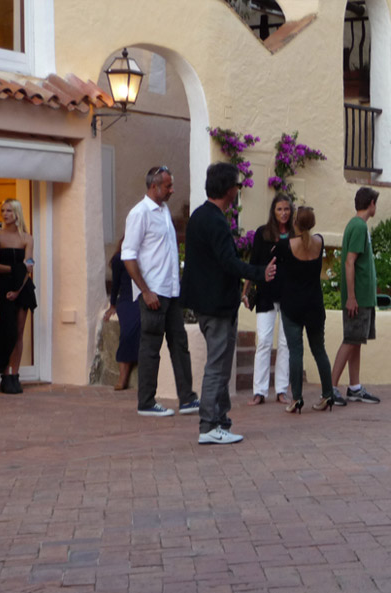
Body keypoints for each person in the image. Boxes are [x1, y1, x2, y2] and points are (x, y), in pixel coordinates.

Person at [182, 162, 275, 445]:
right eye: (237, 185)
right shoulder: (215, 221)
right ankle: (210, 425)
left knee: (220, 365)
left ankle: (220, 421)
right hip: (217, 305)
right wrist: (260, 273)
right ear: (228, 189)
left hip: (207, 304)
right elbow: (229, 262)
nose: (238, 190)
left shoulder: (199, 216)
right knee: (218, 366)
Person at [122, 166, 200, 417]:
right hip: (153, 293)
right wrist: (145, 291)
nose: (172, 190)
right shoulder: (140, 213)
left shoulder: (164, 210)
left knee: (180, 345)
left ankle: (187, 399)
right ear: (154, 186)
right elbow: (128, 256)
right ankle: (146, 402)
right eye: (168, 186)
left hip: (171, 292)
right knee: (150, 347)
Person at [276, 206, 345, 413]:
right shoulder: (319, 242)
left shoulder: (286, 245)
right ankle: (328, 394)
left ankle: (297, 398)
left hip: (292, 305)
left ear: (295, 222)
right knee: (319, 350)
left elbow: (279, 269)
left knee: (295, 352)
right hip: (314, 305)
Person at [330, 187, 381, 405]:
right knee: (351, 340)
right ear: (371, 203)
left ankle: (354, 387)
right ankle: (330, 388)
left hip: (362, 297)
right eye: (375, 203)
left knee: (356, 341)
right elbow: (350, 262)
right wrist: (351, 297)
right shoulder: (359, 226)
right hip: (358, 298)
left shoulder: (358, 225)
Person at [242, 194, 293, 406]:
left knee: (285, 343)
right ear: (273, 211)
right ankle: (259, 391)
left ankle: (281, 390)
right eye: (279, 209)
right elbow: (253, 263)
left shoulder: (295, 235)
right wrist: (245, 291)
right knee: (263, 341)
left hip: (288, 294)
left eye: (286, 209)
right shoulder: (263, 233)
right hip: (266, 294)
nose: (283, 213)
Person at [0, 199, 36, 395]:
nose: (5, 214)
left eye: (9, 210)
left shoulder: (27, 238)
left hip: (22, 287)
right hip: (3, 287)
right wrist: (17, 268)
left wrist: (18, 287)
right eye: (3, 210)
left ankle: (14, 374)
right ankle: (5, 374)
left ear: (17, 213)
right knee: (7, 330)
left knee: (19, 331)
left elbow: (29, 267)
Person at [103, 237, 140, 391]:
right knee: (127, 332)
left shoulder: (145, 256)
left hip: (142, 297)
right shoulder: (119, 258)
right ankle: (123, 376)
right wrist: (112, 305)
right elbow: (115, 283)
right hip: (126, 299)